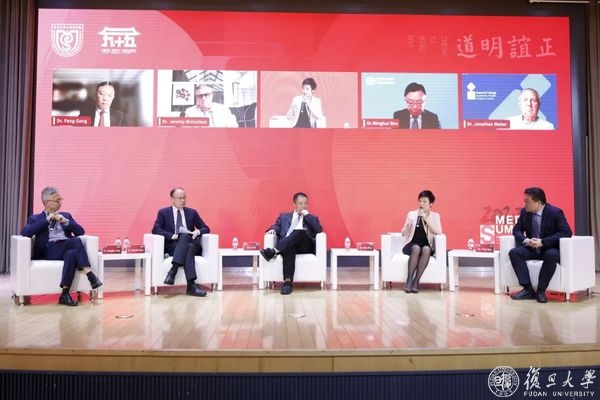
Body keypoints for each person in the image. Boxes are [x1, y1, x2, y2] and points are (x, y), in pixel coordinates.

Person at [20, 186, 102, 306]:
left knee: (71, 254)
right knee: (75, 241)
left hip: (66, 248)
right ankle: (90, 275)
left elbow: (81, 231)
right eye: (57, 200)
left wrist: (66, 221)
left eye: (60, 199)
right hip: (49, 250)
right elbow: (25, 233)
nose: (60, 202)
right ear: (46, 203)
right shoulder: (36, 218)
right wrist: (46, 221)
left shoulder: (66, 215)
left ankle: (64, 294)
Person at [508, 187, 572, 303]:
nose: (525, 204)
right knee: (514, 253)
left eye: (527, 201)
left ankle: (541, 290)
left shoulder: (555, 212)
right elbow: (517, 230)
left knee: (552, 255)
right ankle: (528, 289)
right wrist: (527, 240)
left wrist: (543, 242)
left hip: (549, 248)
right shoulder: (525, 212)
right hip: (532, 248)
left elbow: (566, 232)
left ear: (538, 202)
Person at [259, 192, 323, 295]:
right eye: (300, 203)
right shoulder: (284, 216)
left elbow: (318, 230)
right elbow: (276, 226)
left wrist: (307, 215)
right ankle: (287, 283)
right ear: (294, 204)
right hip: (288, 245)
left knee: (300, 231)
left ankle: (275, 251)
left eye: (305, 203)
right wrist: (273, 230)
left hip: (305, 245)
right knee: (290, 247)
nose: (303, 206)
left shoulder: (311, 217)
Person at [151, 187, 211, 297]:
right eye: (180, 198)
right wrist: (172, 236)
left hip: (193, 243)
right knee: (188, 246)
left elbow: (206, 228)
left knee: (185, 237)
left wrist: (197, 232)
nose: (183, 200)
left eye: (184, 198)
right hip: (174, 245)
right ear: (172, 199)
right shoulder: (163, 212)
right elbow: (156, 229)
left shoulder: (192, 212)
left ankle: (173, 270)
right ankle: (191, 286)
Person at [399, 190, 442, 293]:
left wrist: (426, 219)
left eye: (424, 201)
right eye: (420, 201)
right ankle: (409, 280)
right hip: (412, 244)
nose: (421, 204)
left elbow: (438, 232)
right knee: (416, 248)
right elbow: (403, 232)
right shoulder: (412, 214)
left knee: (426, 249)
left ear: (431, 204)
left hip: (426, 245)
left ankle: (416, 281)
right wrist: (407, 227)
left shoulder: (435, 216)